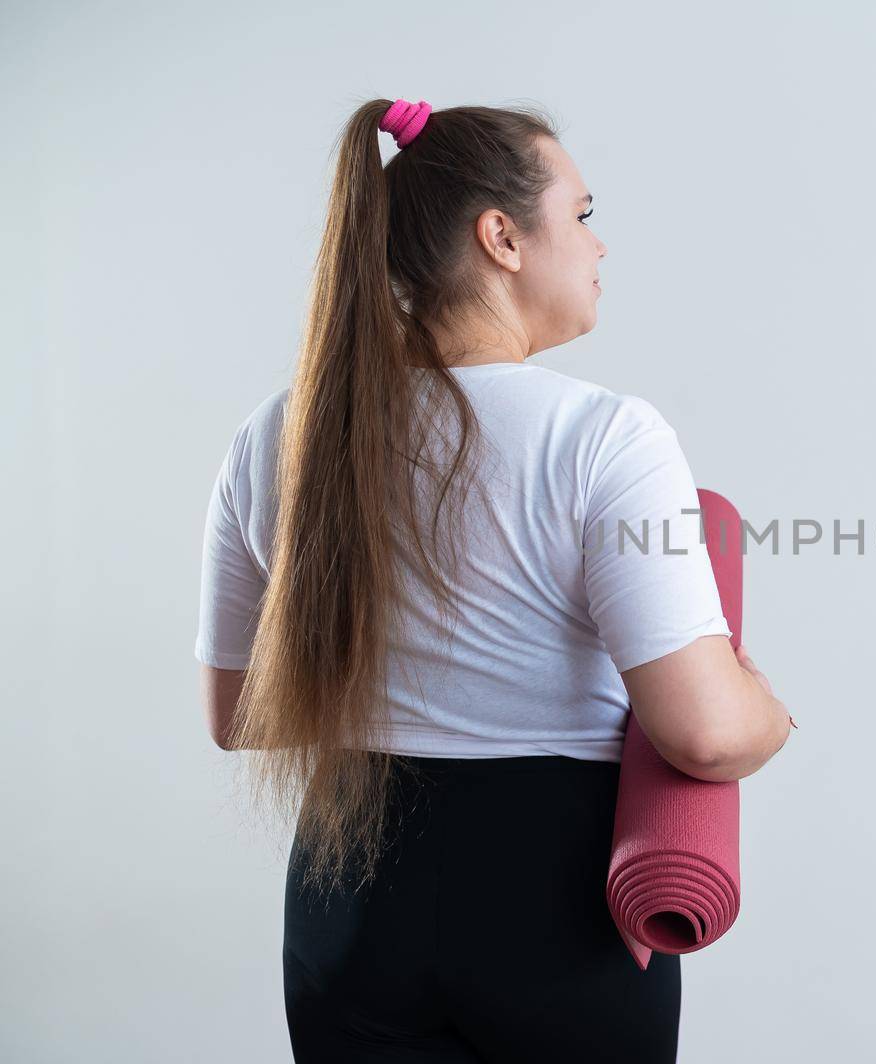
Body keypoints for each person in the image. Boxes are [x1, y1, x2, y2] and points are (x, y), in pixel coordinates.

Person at [192, 97, 794, 1063]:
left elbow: (242, 716)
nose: (600, 247)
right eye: (585, 215)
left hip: (348, 906)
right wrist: (768, 710)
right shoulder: (603, 437)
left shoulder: (278, 435)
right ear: (502, 237)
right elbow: (707, 734)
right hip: (554, 914)